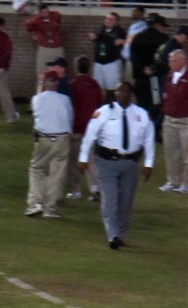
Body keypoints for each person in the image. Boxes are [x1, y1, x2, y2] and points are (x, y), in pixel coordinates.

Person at [78, 82, 155, 250]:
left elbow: (149, 139)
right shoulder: (104, 113)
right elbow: (90, 135)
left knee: (126, 202)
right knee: (110, 200)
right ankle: (112, 235)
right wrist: (83, 157)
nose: (120, 94)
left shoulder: (141, 115)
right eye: (118, 91)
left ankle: (121, 232)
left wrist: (149, 163)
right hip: (106, 163)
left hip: (130, 163)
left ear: (131, 94)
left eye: (124, 91)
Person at [25, 72, 73, 219]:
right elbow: (70, 118)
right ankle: (50, 208)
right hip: (62, 138)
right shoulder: (65, 99)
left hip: (44, 138)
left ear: (45, 83)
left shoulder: (37, 99)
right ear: (57, 84)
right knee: (57, 173)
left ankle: (36, 203)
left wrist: (40, 84)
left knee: (37, 169)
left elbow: (36, 110)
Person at [68, 55, 104, 201]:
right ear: (89, 68)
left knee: (74, 162)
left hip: (77, 128)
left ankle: (76, 190)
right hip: (93, 128)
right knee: (90, 160)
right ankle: (95, 189)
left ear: (76, 68)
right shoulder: (95, 85)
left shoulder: (74, 86)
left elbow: (71, 108)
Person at [129, 13, 168, 120]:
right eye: (163, 26)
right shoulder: (164, 39)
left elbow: (133, 58)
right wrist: (153, 70)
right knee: (156, 108)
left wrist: (143, 69)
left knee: (141, 108)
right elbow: (166, 61)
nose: (164, 28)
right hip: (156, 80)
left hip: (140, 79)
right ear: (157, 25)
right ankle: (153, 133)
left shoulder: (137, 37)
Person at [158, 48, 188, 193]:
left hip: (185, 121)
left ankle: (186, 184)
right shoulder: (169, 76)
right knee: (171, 153)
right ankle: (173, 181)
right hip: (170, 120)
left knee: (187, 155)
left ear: (183, 61)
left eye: (174, 61)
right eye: (170, 61)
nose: (171, 63)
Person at [25, 3, 64, 88]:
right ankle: (39, 96)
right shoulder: (37, 20)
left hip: (57, 47)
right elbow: (28, 26)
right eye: (43, 13)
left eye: (46, 12)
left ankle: (58, 96)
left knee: (59, 73)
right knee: (41, 74)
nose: (45, 14)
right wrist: (34, 34)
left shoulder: (55, 15)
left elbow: (58, 21)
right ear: (40, 13)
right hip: (44, 48)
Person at [89, 12, 125, 100]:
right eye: (107, 18)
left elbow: (121, 42)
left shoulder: (119, 31)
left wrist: (120, 42)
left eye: (111, 20)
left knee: (113, 88)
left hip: (111, 63)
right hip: (99, 63)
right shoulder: (100, 29)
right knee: (99, 87)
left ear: (116, 22)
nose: (108, 21)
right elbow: (94, 37)